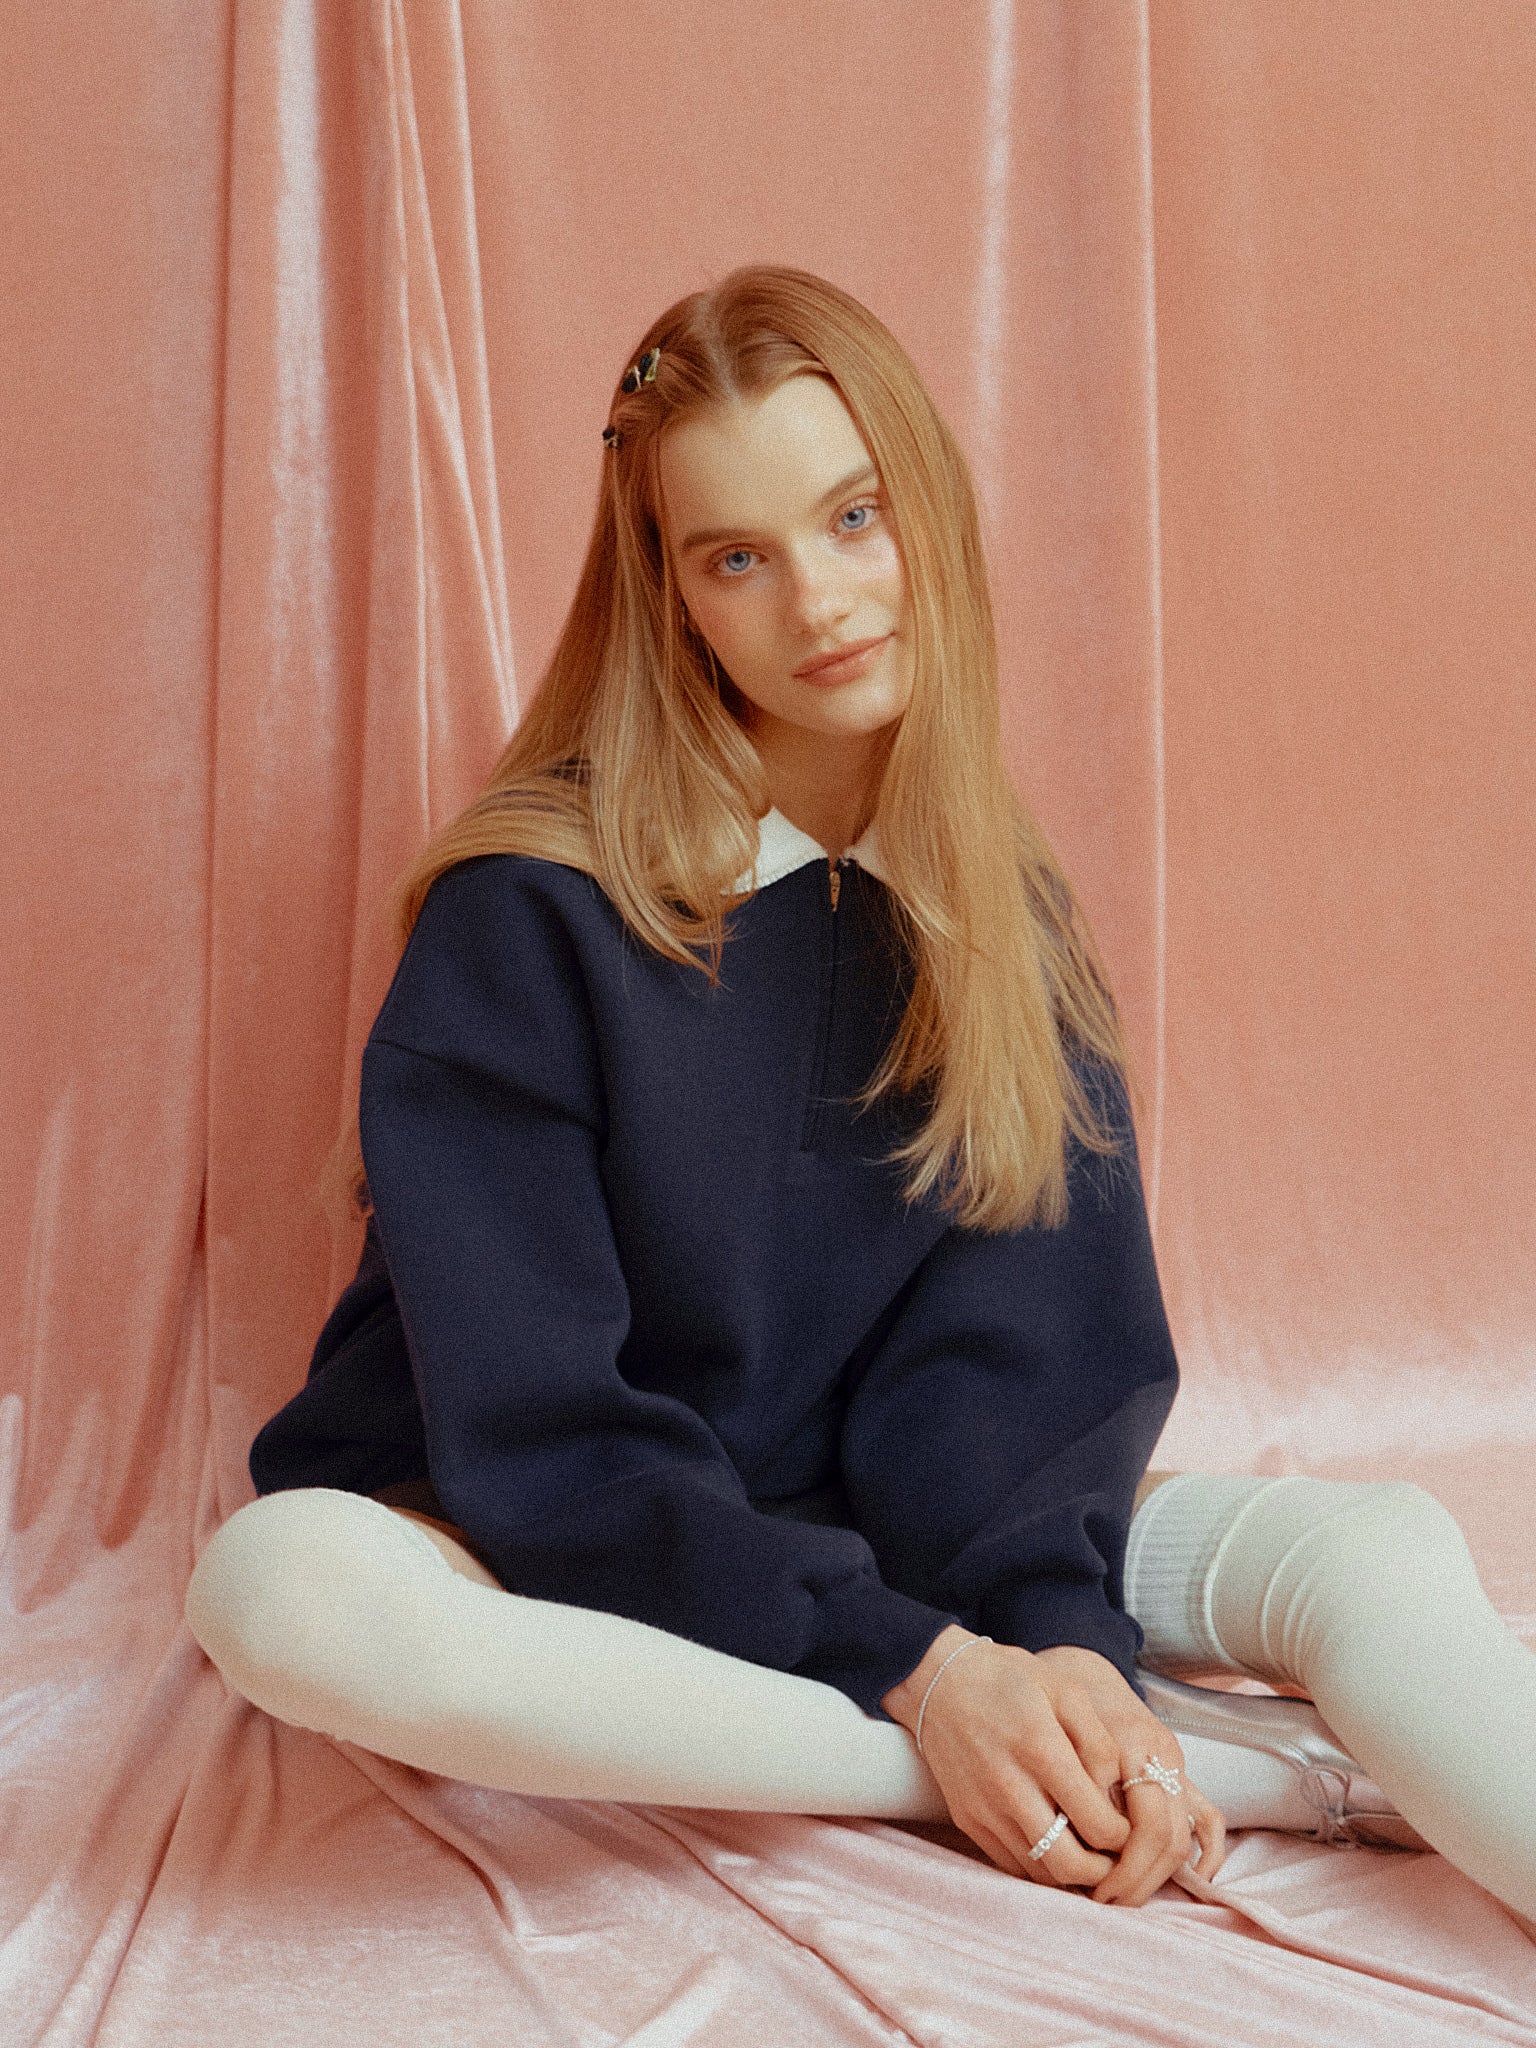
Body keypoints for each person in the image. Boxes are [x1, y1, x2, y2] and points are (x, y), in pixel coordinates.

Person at [184, 267, 1536, 1927]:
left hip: (883, 1540)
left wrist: (1055, 1646)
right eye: (736, 558)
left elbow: (1030, 1385)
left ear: (928, 514)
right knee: (281, 1592)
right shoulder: (527, 913)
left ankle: (1072, 1743)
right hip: (550, 1537)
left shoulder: (1000, 912)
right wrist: (929, 1677)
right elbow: (548, 1441)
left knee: (1375, 1545)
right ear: (672, 597)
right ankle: (1187, 1781)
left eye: (852, 517)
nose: (818, 601)